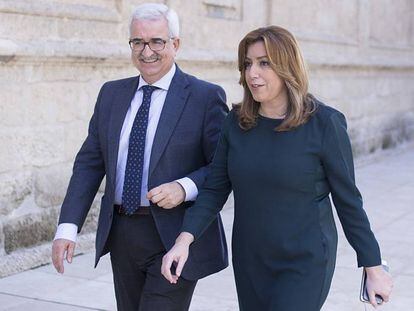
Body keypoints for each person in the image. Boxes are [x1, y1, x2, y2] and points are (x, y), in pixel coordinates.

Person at [161, 25, 393, 310]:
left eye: (264, 63)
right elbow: (215, 189)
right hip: (251, 259)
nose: (252, 73)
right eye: (247, 64)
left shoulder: (325, 124)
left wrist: (373, 265)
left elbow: (349, 203)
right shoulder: (236, 123)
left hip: (305, 261)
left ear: (287, 67)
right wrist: (184, 241)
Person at [51, 3, 229, 311]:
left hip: (175, 235)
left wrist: (184, 187)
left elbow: (223, 166)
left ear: (176, 44)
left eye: (157, 41)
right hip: (122, 234)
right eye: (138, 42)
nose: (146, 51)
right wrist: (67, 227)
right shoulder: (111, 94)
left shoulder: (204, 97)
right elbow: (90, 163)